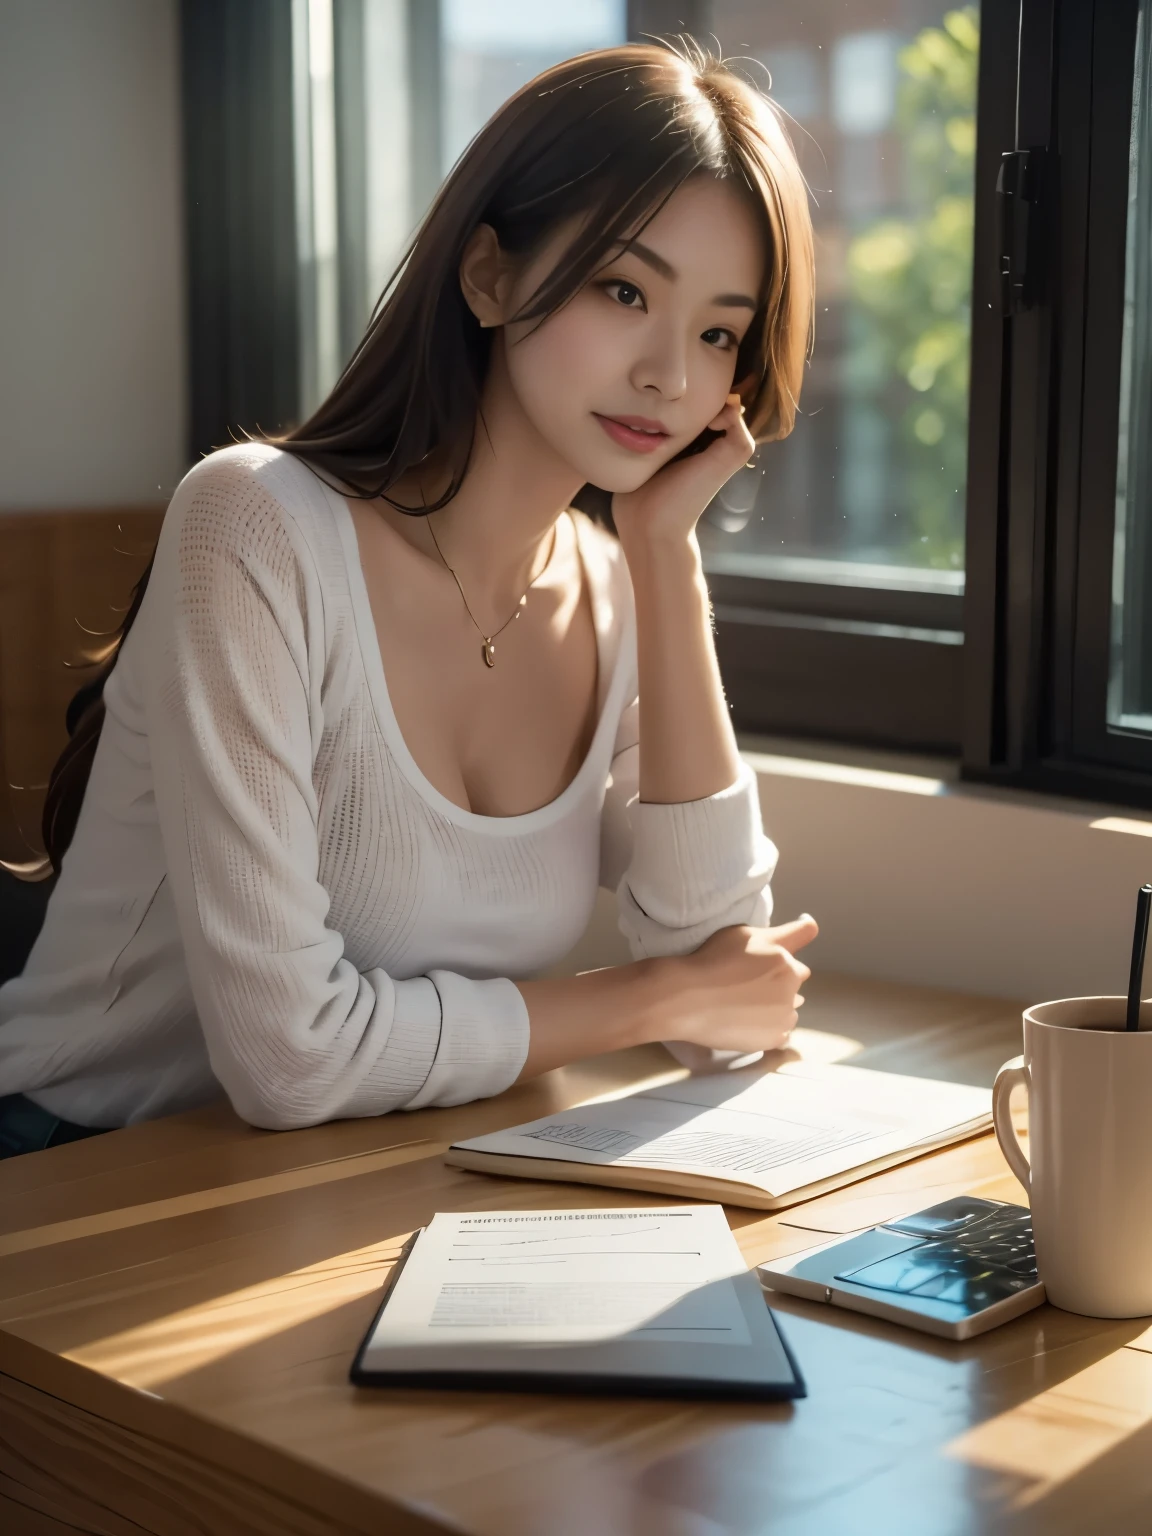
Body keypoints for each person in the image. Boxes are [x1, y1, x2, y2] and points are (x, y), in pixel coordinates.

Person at [0, 40, 819, 1158]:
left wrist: (665, 555)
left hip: (357, 1176)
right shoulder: (255, 525)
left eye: (720, 332)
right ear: (488, 275)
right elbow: (290, 1058)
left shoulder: (619, 592)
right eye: (625, 290)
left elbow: (726, 987)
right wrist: (650, 1000)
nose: (672, 376)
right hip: (75, 1170)